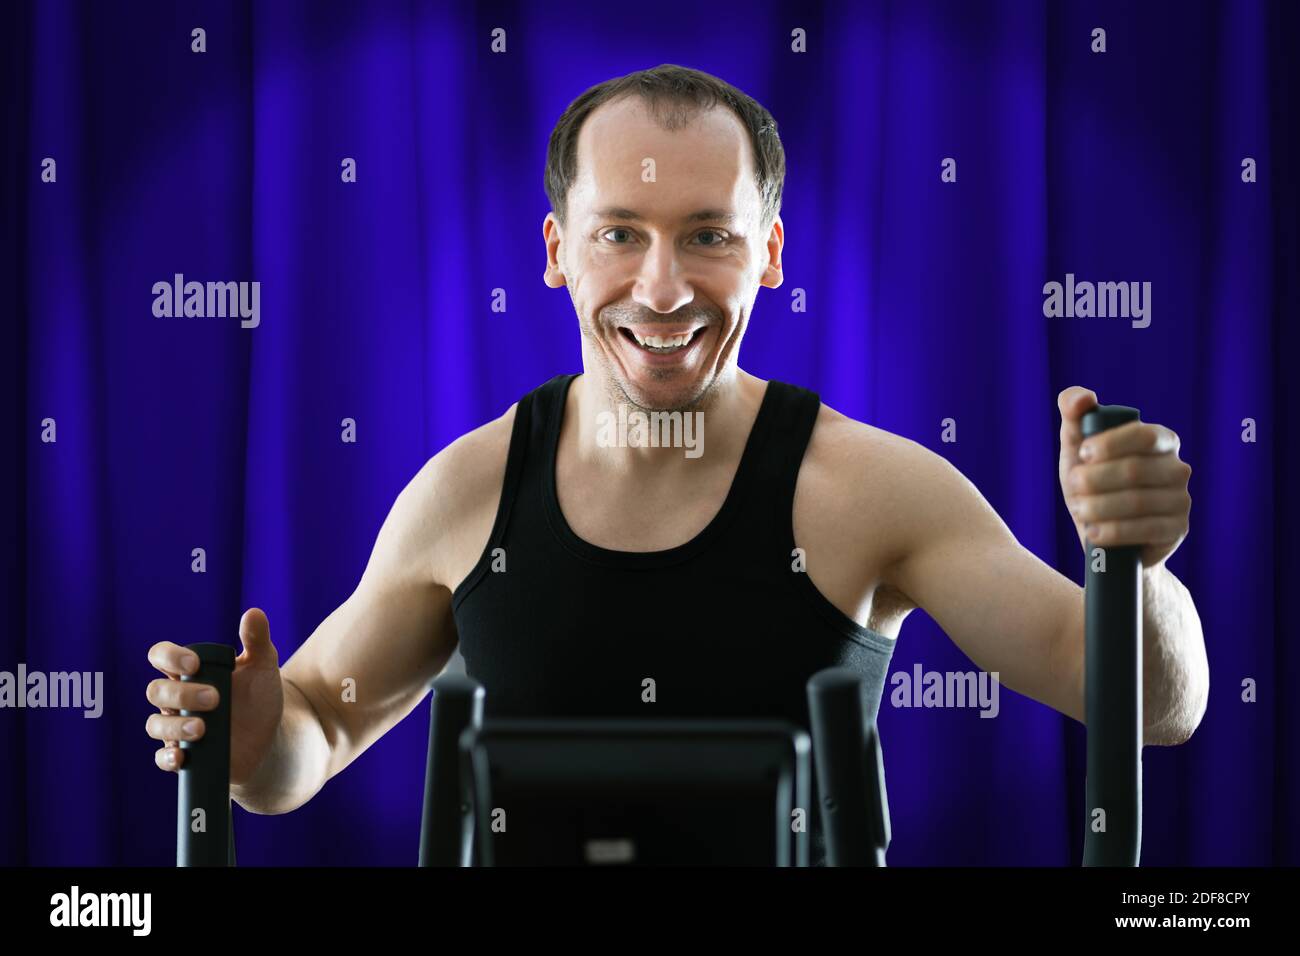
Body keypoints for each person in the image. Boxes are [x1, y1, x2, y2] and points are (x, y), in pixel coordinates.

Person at [145, 64, 1207, 864]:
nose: (661, 288)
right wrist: (249, 740)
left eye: (707, 235)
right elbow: (316, 733)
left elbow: (1154, 706)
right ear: (557, 251)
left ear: (771, 253)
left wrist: (1136, 568)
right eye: (618, 234)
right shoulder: (465, 493)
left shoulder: (875, 488)